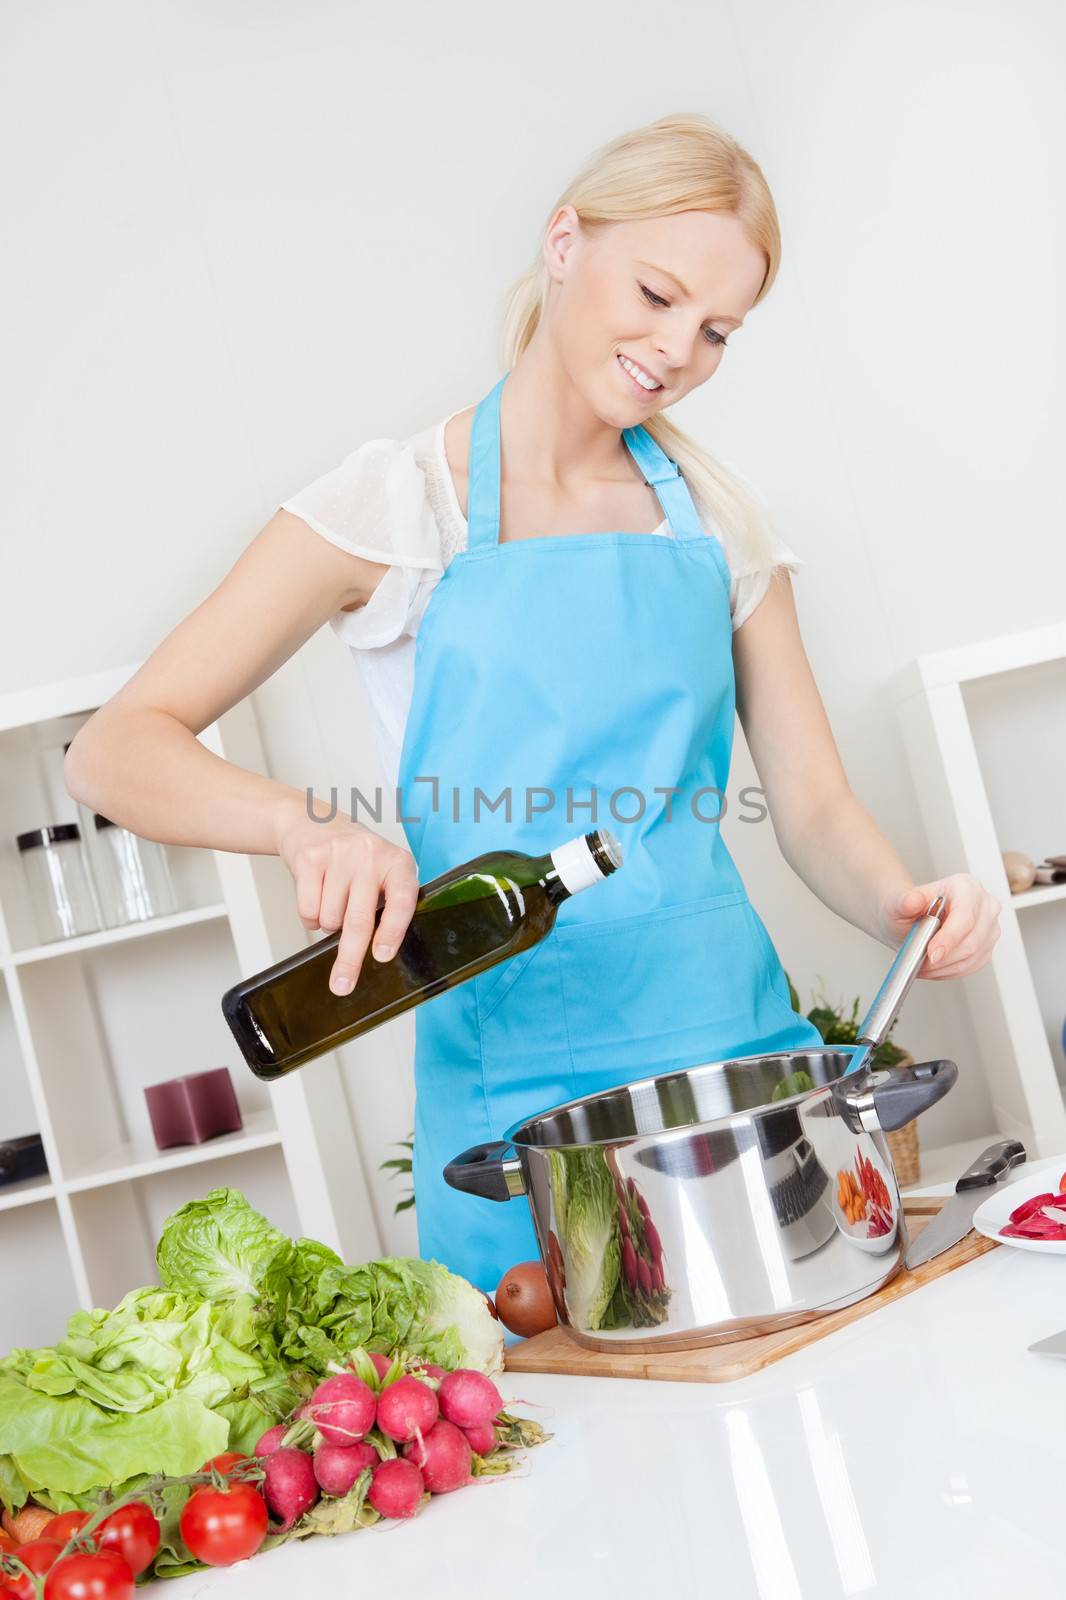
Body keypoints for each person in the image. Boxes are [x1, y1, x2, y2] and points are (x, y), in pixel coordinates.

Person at [64, 112, 1001, 1293]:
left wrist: (905, 906)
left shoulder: (716, 524)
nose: (676, 350)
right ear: (565, 242)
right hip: (521, 1121)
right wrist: (307, 827)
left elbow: (811, 804)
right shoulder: (401, 504)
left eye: (716, 330)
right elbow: (113, 753)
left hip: (739, 1071)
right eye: (655, 294)